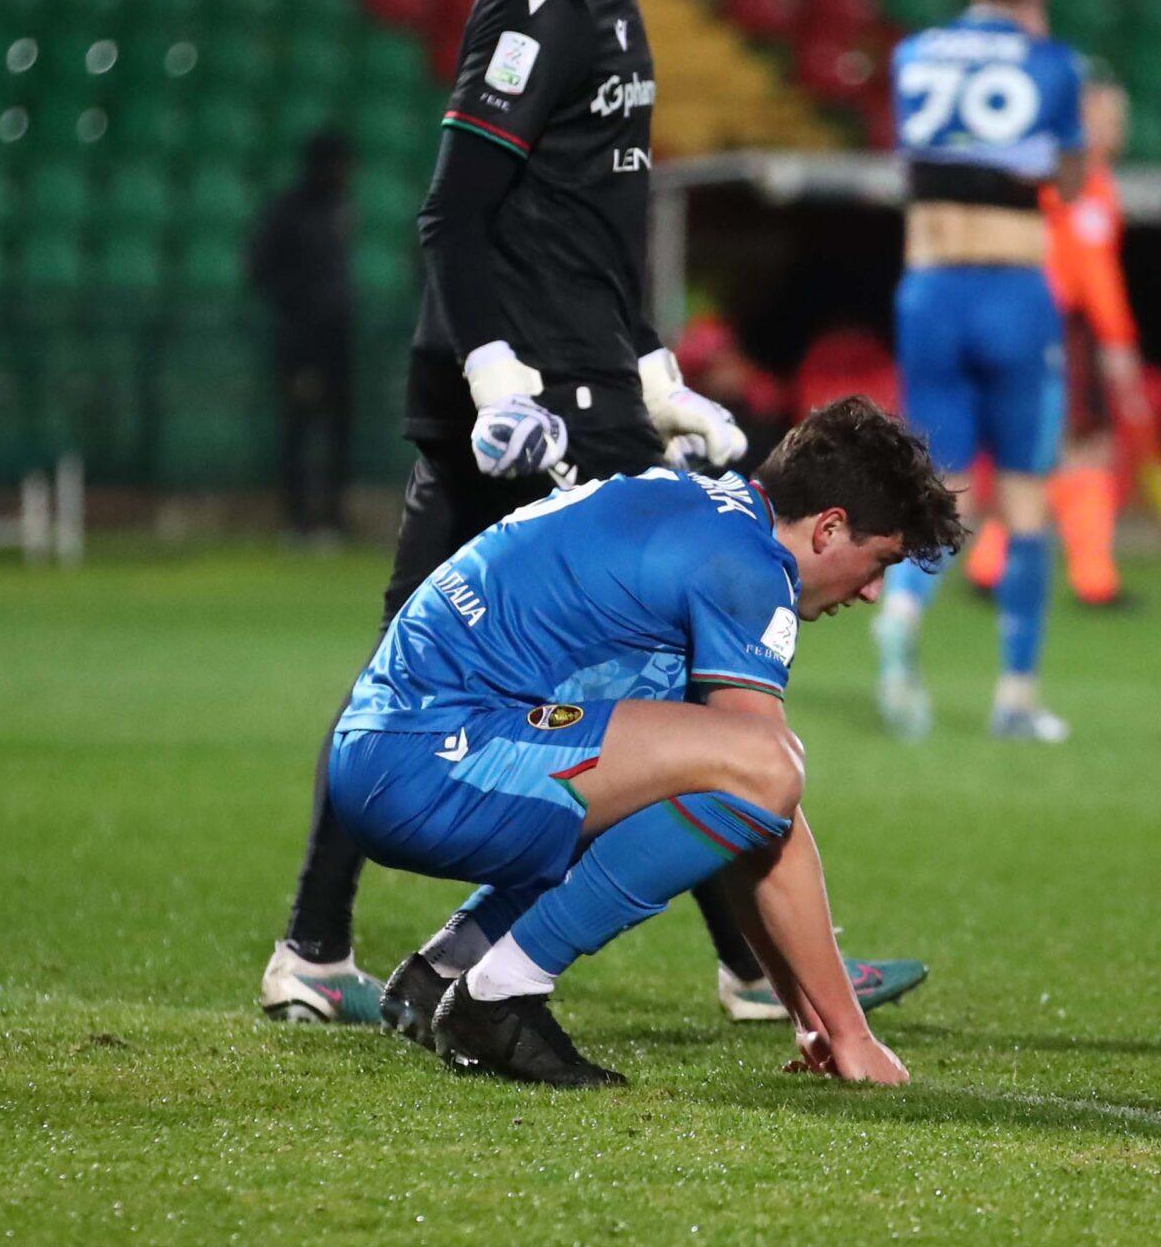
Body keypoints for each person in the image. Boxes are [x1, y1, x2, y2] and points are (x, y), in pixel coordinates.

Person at [262, 0, 925, 1027]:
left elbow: (588, 226)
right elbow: (455, 215)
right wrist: (497, 378)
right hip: (533, 406)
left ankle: (319, 948)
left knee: (481, 669)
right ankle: (753, 970)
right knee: (669, 675)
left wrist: (656, 370)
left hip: (583, 382)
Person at [335, 397, 962, 1087]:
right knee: (766, 763)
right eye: (880, 561)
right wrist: (848, 1033)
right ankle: (500, 994)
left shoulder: (695, 505)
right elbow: (763, 783)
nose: (872, 592)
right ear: (830, 527)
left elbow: (742, 813)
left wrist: (812, 1017)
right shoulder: (747, 568)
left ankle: (448, 968)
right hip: (429, 761)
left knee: (723, 769)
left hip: (393, 744)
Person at [872, 0, 1085, 744]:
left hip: (929, 287)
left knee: (943, 485)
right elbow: (1070, 179)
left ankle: (901, 609)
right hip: (1011, 290)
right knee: (1026, 497)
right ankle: (1017, 697)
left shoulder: (914, 55)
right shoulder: (1052, 63)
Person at [965, 65, 1148, 606]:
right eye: (1103, 118)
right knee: (1083, 449)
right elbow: (1094, 275)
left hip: (1028, 322)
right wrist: (1117, 344)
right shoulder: (1080, 186)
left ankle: (991, 565)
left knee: (1042, 451)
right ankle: (1093, 581)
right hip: (1058, 328)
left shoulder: (1057, 179)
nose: (1112, 130)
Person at [246, 133, 353, 544]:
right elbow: (260, 270)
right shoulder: (289, 212)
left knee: (337, 432)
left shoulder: (338, 208)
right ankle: (297, 522)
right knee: (298, 430)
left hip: (337, 339)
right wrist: (299, 309)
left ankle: (332, 520)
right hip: (298, 341)